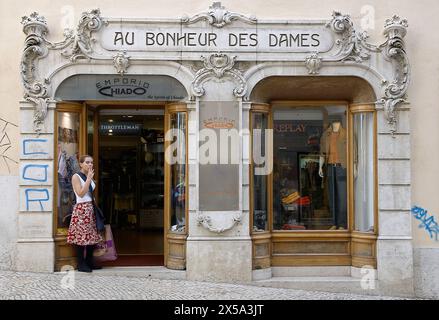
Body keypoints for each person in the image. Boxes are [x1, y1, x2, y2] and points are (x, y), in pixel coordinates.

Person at [67, 155, 103, 272]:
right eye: (87, 162)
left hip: (90, 209)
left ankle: (89, 261)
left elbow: (90, 194)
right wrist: (88, 179)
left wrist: (90, 178)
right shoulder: (76, 177)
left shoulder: (90, 176)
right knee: (81, 238)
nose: (90, 165)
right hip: (81, 210)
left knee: (92, 237)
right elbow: (81, 193)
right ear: (81, 164)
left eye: (91, 162)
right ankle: (81, 264)